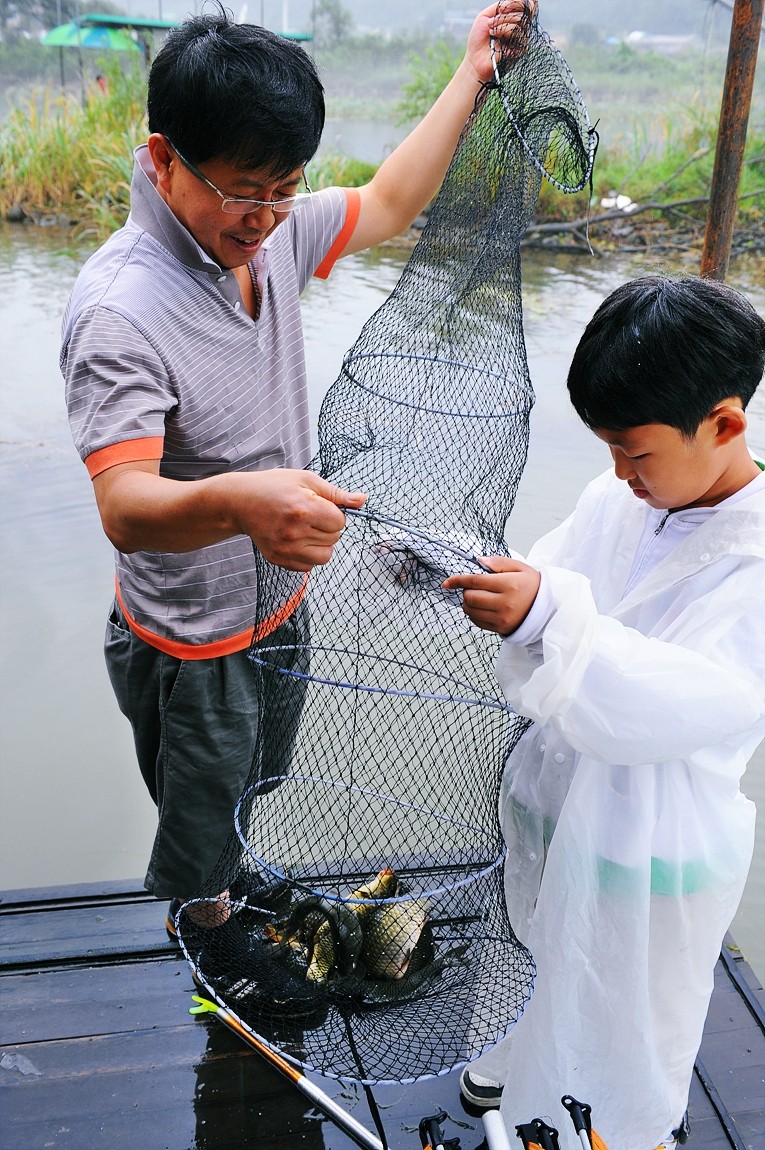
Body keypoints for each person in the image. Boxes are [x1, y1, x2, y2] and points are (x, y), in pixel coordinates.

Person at [61, 3, 533, 946]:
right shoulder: (119, 311)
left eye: (286, 188)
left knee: (257, 780)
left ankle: (230, 889)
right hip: (194, 641)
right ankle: (206, 934)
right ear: (163, 160)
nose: (268, 216)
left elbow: (389, 201)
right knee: (202, 817)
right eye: (246, 191)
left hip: (277, 602)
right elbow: (125, 505)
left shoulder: (268, 235)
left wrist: (471, 73)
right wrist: (245, 502)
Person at [443, 275, 765, 1150]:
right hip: (557, 791)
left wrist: (547, 616)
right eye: (607, 449)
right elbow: (554, 576)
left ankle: (620, 1127)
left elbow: (681, 700)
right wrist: (476, 577)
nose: (620, 474)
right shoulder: (621, 496)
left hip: (654, 838)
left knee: (624, 997)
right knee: (532, 935)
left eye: (635, 452)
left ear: (723, 424)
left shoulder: (754, 557)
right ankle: (515, 1063)